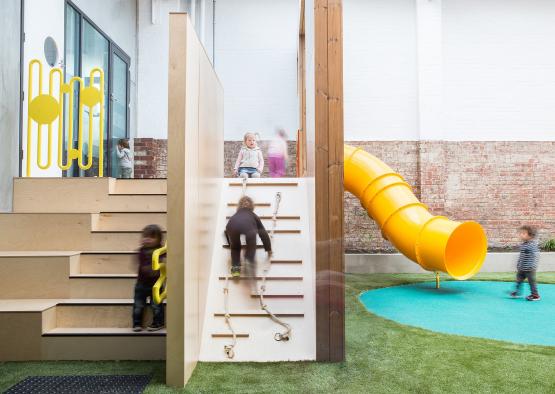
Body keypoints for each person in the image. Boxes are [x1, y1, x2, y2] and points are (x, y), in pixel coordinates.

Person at [225, 196, 272, 278]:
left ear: (239, 206)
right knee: (251, 242)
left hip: (231, 226)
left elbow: (226, 231)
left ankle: (235, 268)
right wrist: (268, 249)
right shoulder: (253, 215)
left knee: (235, 247)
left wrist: (229, 243)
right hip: (248, 227)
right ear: (251, 206)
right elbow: (263, 233)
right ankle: (248, 260)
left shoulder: (235, 215)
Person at [133, 224, 165, 331]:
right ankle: (137, 323)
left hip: (156, 284)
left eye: (151, 237)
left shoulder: (161, 251)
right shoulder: (141, 251)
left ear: (159, 239)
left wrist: (160, 265)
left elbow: (163, 264)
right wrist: (151, 269)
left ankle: (158, 322)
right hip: (141, 284)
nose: (147, 239)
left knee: (156, 305)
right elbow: (144, 266)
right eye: (145, 236)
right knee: (138, 305)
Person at [510, 225, 541, 301]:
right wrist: (518, 265)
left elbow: (535, 256)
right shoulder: (523, 244)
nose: (521, 235)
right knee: (518, 280)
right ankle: (517, 292)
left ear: (530, 236)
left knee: (531, 282)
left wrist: (532, 266)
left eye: (523, 233)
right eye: (521, 233)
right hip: (522, 268)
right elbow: (522, 256)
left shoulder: (532, 245)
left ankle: (535, 295)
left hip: (529, 269)